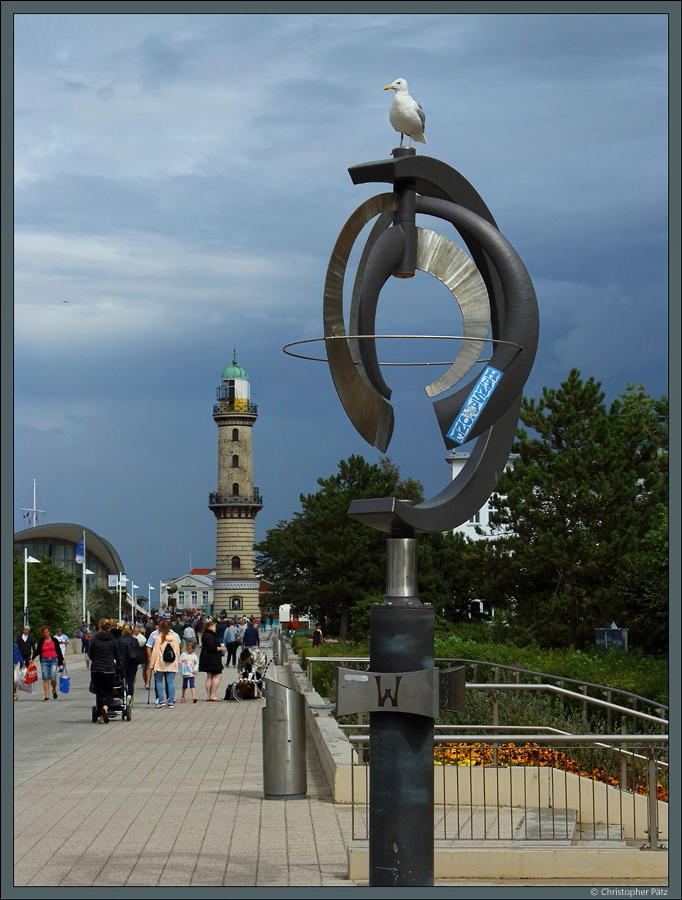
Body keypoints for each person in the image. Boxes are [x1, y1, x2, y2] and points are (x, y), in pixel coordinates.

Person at [88, 618, 121, 723]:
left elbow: (91, 654)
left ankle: (100, 715)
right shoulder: (112, 639)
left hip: (96, 669)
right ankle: (105, 708)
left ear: (99, 626)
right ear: (109, 627)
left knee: (99, 692)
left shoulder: (94, 639)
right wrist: (119, 664)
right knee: (109, 691)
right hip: (108, 669)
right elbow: (117, 654)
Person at [149, 619, 181, 708]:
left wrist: (151, 665)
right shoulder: (174, 637)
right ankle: (170, 701)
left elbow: (155, 652)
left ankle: (161, 700)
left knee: (158, 681)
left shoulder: (159, 637)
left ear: (161, 627)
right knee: (171, 682)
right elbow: (177, 651)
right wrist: (176, 661)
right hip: (171, 663)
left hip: (160, 663)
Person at [32, 624, 66, 701]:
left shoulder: (54, 640)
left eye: (47, 632)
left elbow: (58, 651)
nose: (46, 633)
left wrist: (62, 659)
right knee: (45, 678)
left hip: (54, 660)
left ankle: (54, 689)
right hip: (44, 661)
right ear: (42, 633)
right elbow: (37, 651)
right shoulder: (41, 641)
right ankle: (46, 696)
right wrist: (32, 658)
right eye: (44, 632)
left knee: (53, 678)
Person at [198, 619, 224, 701]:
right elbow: (212, 647)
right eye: (214, 626)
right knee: (218, 676)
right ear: (210, 627)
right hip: (212, 659)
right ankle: (213, 695)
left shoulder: (206, 634)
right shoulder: (210, 635)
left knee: (209, 676)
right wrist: (221, 648)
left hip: (207, 658)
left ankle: (208, 695)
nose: (215, 628)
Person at [117, 623, 142, 702]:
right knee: (131, 680)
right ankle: (129, 695)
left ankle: (123, 695)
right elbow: (137, 652)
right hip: (132, 662)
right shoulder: (134, 640)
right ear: (131, 630)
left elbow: (117, 652)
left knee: (123, 679)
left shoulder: (119, 640)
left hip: (122, 662)